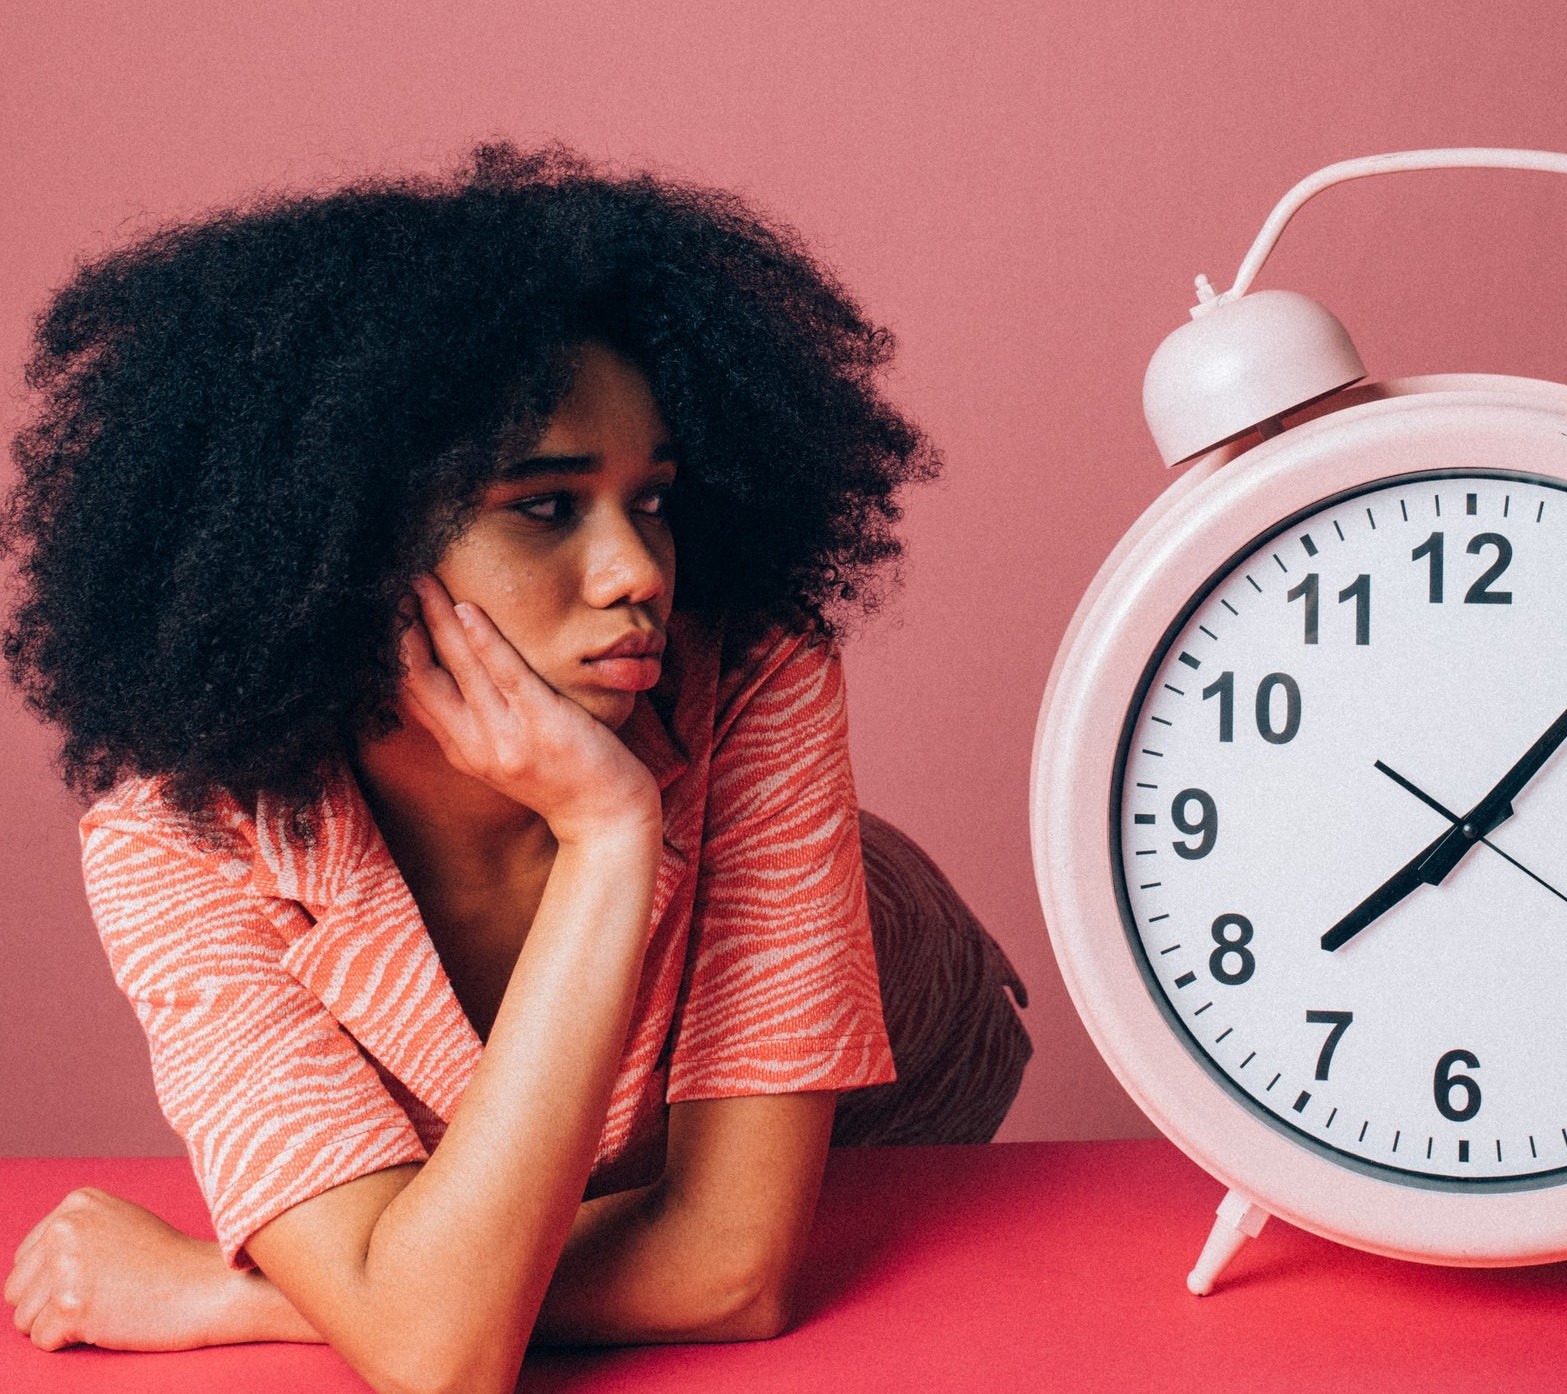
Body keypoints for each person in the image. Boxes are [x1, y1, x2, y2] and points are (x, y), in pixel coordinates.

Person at [0, 143, 1029, 1391]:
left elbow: (728, 1267)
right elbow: (440, 1351)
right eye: (546, 507)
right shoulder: (179, 841)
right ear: (334, 545)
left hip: (886, 1119)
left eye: (651, 498)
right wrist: (399, 1292)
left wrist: (231, 1293)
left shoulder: (756, 675)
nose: (638, 572)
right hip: (520, 1204)